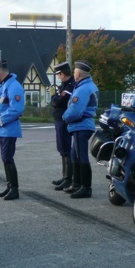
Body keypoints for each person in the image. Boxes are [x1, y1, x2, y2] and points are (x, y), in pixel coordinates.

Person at [0, 59, 25, 200]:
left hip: (8, 128)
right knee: (5, 159)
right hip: (2, 128)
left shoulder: (14, 86)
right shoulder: (4, 85)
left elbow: (17, 108)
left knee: (8, 158)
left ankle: (14, 189)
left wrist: (1, 120)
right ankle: (9, 186)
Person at [62, 60, 99, 199]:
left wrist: (65, 117)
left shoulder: (83, 89)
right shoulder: (88, 86)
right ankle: (77, 184)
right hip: (82, 125)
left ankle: (85, 187)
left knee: (81, 156)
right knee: (74, 155)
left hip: (81, 125)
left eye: (74, 72)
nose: (73, 74)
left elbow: (75, 110)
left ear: (78, 73)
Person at [50, 62, 76, 191]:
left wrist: (55, 97)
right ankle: (65, 176)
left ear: (63, 73)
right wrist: (55, 97)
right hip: (59, 119)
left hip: (64, 120)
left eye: (59, 74)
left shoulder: (70, 86)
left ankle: (68, 179)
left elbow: (59, 101)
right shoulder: (64, 86)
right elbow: (55, 99)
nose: (58, 77)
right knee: (62, 148)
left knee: (65, 148)